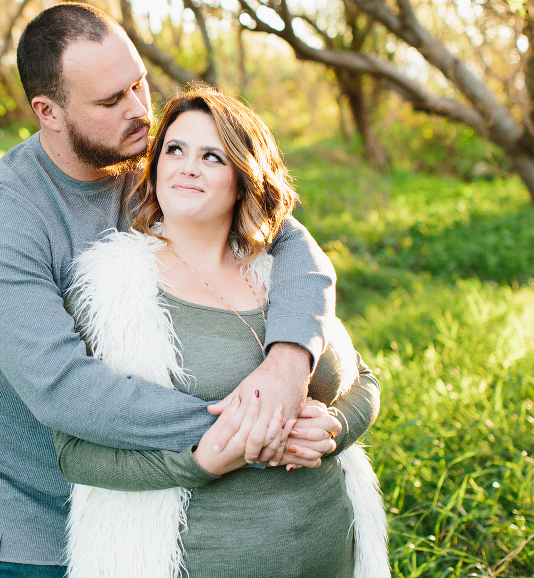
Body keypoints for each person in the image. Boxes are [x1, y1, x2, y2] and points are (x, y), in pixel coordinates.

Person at [0, 2, 338, 576]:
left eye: (139, 85)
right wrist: (260, 426)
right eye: (111, 101)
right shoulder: (2, 222)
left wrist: (287, 365)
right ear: (47, 112)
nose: (139, 111)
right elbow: (65, 389)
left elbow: (291, 242)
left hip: (150, 504)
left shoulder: (153, 161)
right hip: (33, 524)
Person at [55, 85, 388, 578]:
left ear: (242, 177)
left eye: (212, 156)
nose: (188, 167)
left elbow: (363, 381)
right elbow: (75, 454)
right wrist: (201, 460)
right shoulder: (112, 293)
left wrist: (332, 430)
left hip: (331, 550)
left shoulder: (287, 274)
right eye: (174, 150)